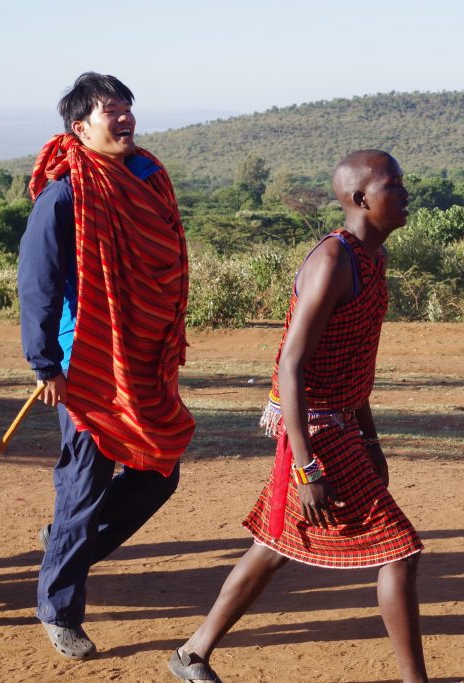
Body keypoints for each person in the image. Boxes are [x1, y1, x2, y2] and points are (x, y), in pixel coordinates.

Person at [166, 150, 427, 683]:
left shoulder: (370, 259)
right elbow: (291, 364)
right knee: (399, 552)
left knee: (275, 547)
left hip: (340, 422)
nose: (405, 195)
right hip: (315, 428)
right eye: (393, 186)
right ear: (360, 199)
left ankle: (192, 653)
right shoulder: (333, 262)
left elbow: (353, 363)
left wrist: (372, 441)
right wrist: (307, 467)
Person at [18, 72, 194, 660]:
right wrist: (45, 363)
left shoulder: (148, 177)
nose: (124, 119)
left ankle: (65, 548)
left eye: (127, 108)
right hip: (89, 360)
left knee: (159, 472)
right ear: (80, 127)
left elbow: (166, 257)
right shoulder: (65, 193)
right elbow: (37, 284)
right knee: (84, 486)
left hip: (144, 357)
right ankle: (59, 608)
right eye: (109, 111)